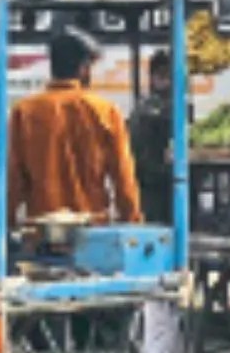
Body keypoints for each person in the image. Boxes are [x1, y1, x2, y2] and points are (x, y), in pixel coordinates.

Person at [126, 52, 212, 353]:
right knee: (164, 309)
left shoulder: (148, 111)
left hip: (150, 219)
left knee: (150, 308)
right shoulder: (155, 114)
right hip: (161, 219)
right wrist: (185, 164)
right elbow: (151, 168)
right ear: (162, 76)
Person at [8, 29, 142, 226]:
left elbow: (13, 179)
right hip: (94, 227)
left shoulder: (24, 112)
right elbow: (123, 177)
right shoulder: (105, 111)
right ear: (84, 68)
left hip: (43, 227)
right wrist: (132, 221)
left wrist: (8, 222)